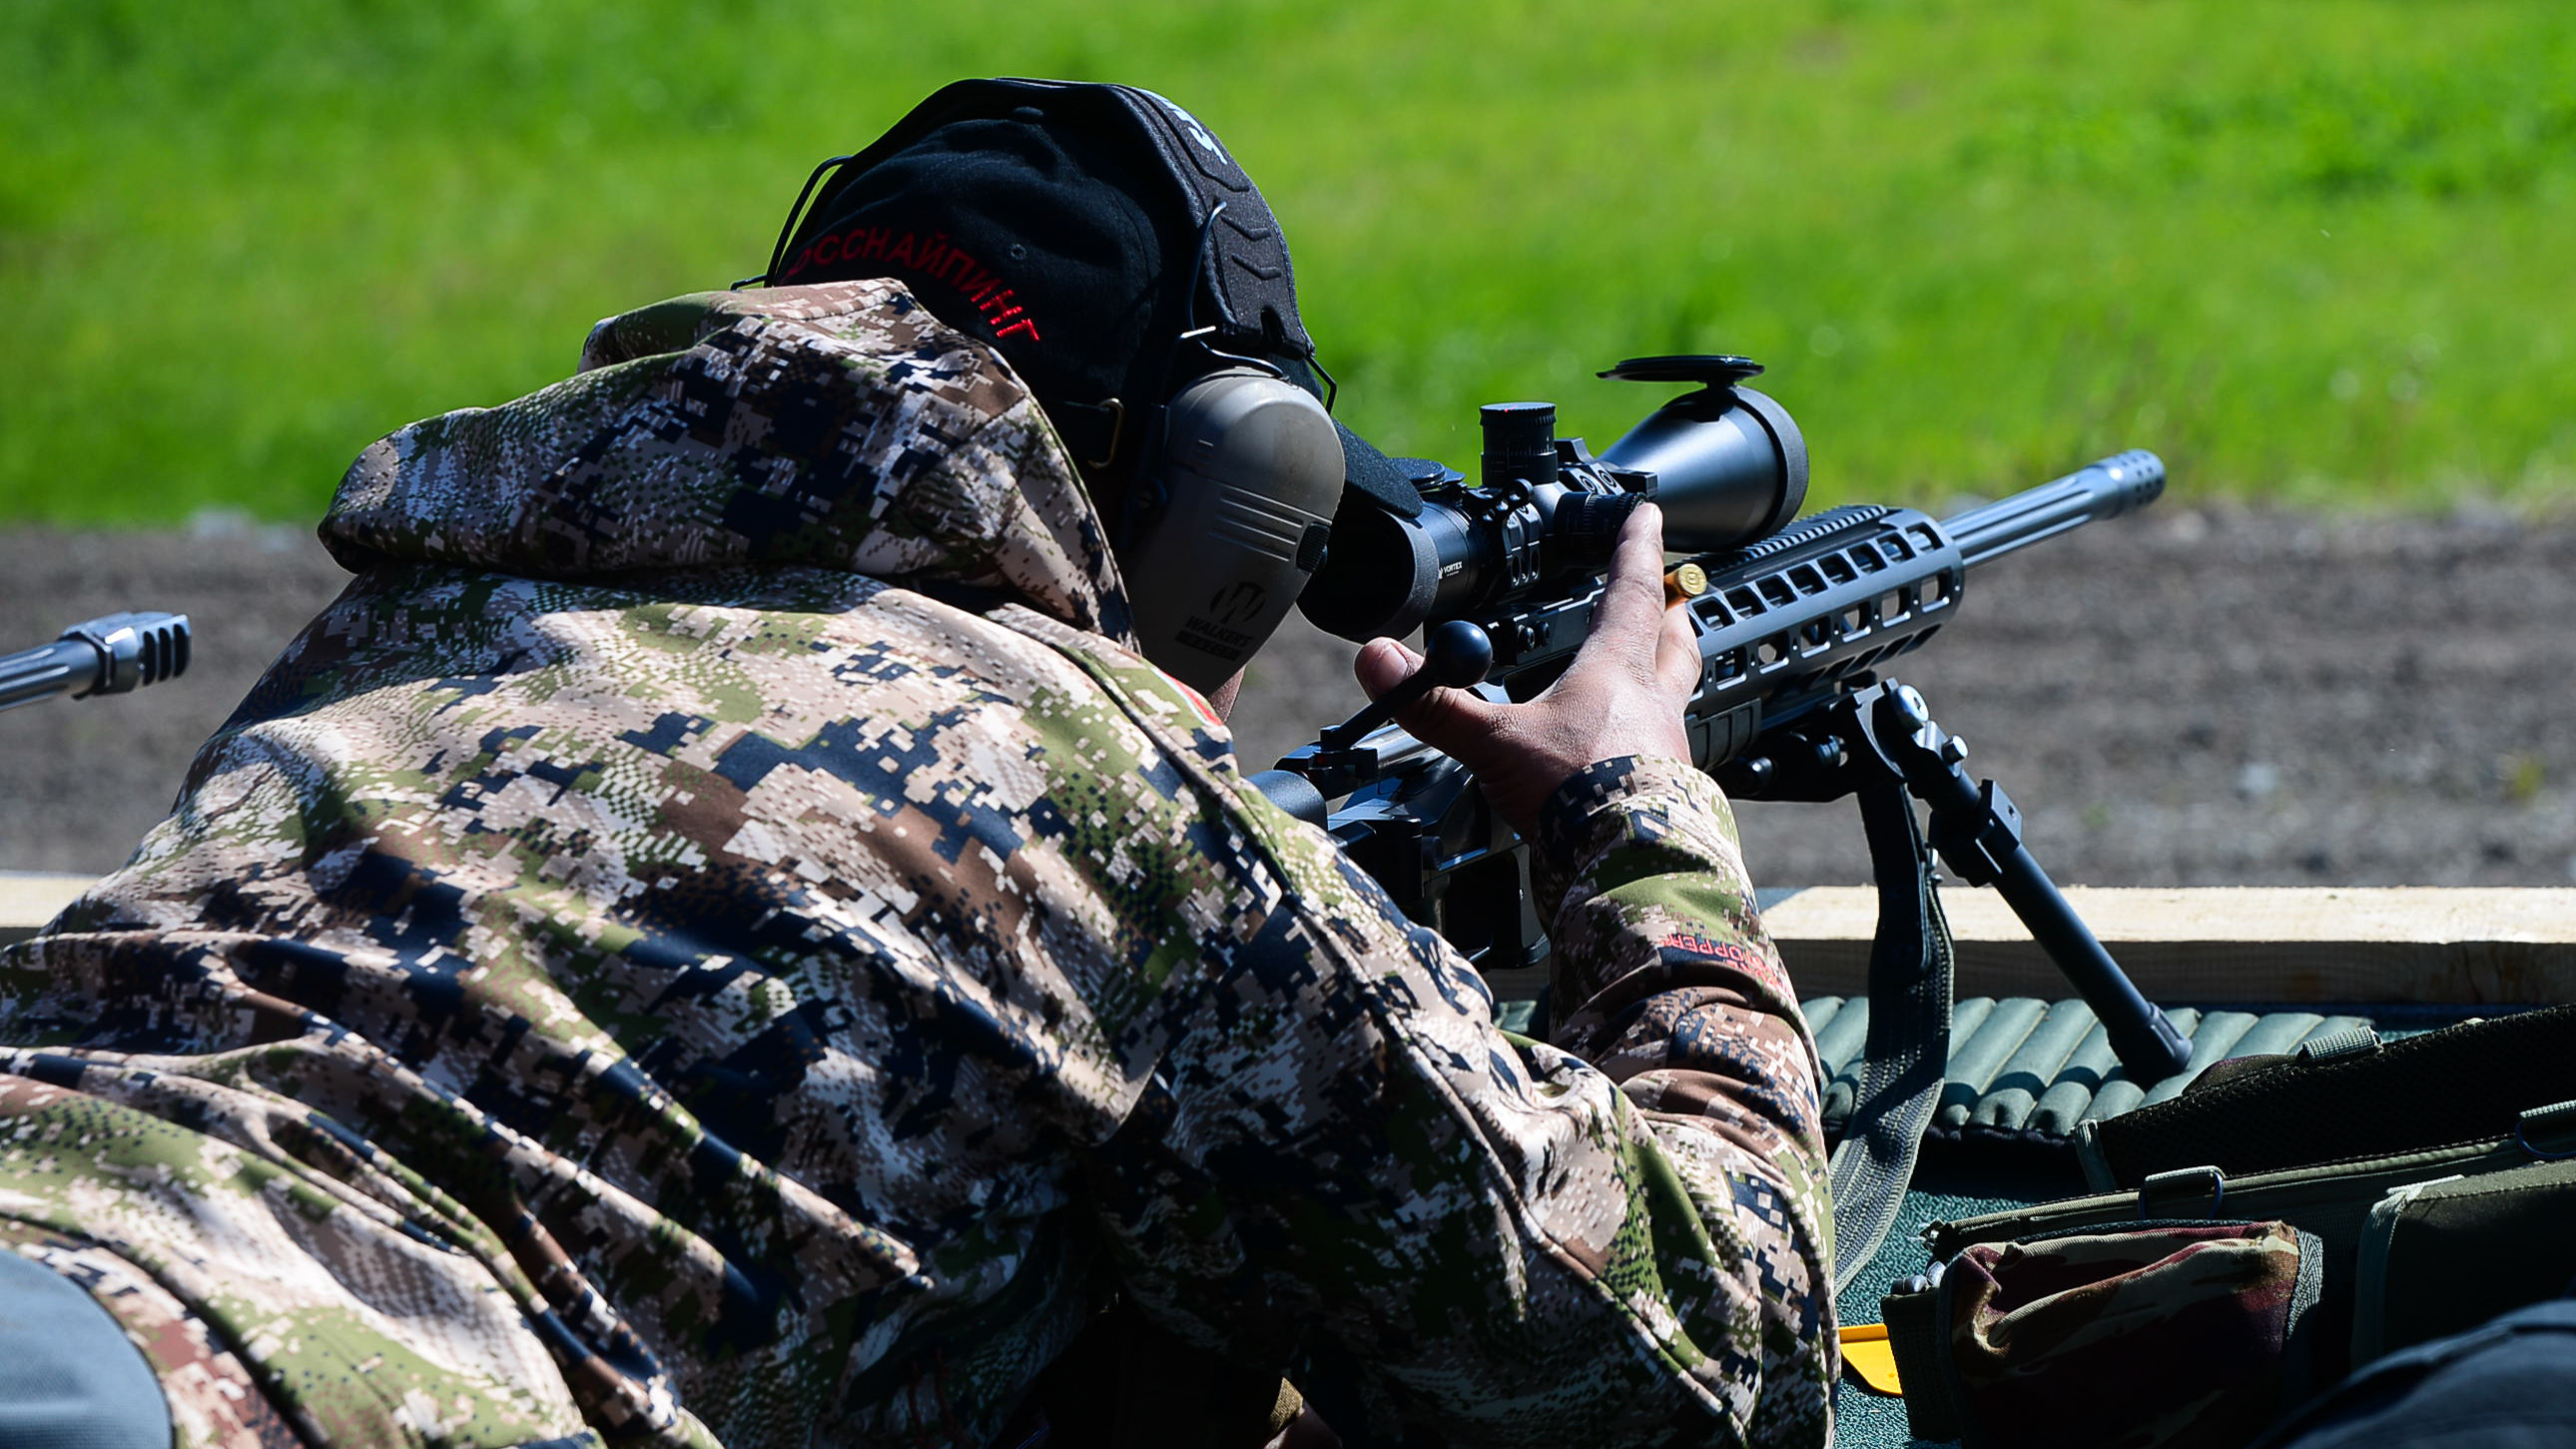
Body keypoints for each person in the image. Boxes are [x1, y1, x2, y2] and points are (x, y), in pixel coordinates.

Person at [0, 80, 1833, 1447]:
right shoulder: (1102, 798)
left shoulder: (397, 630)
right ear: (1228, 500)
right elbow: (1707, 1362)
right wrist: (1635, 819)